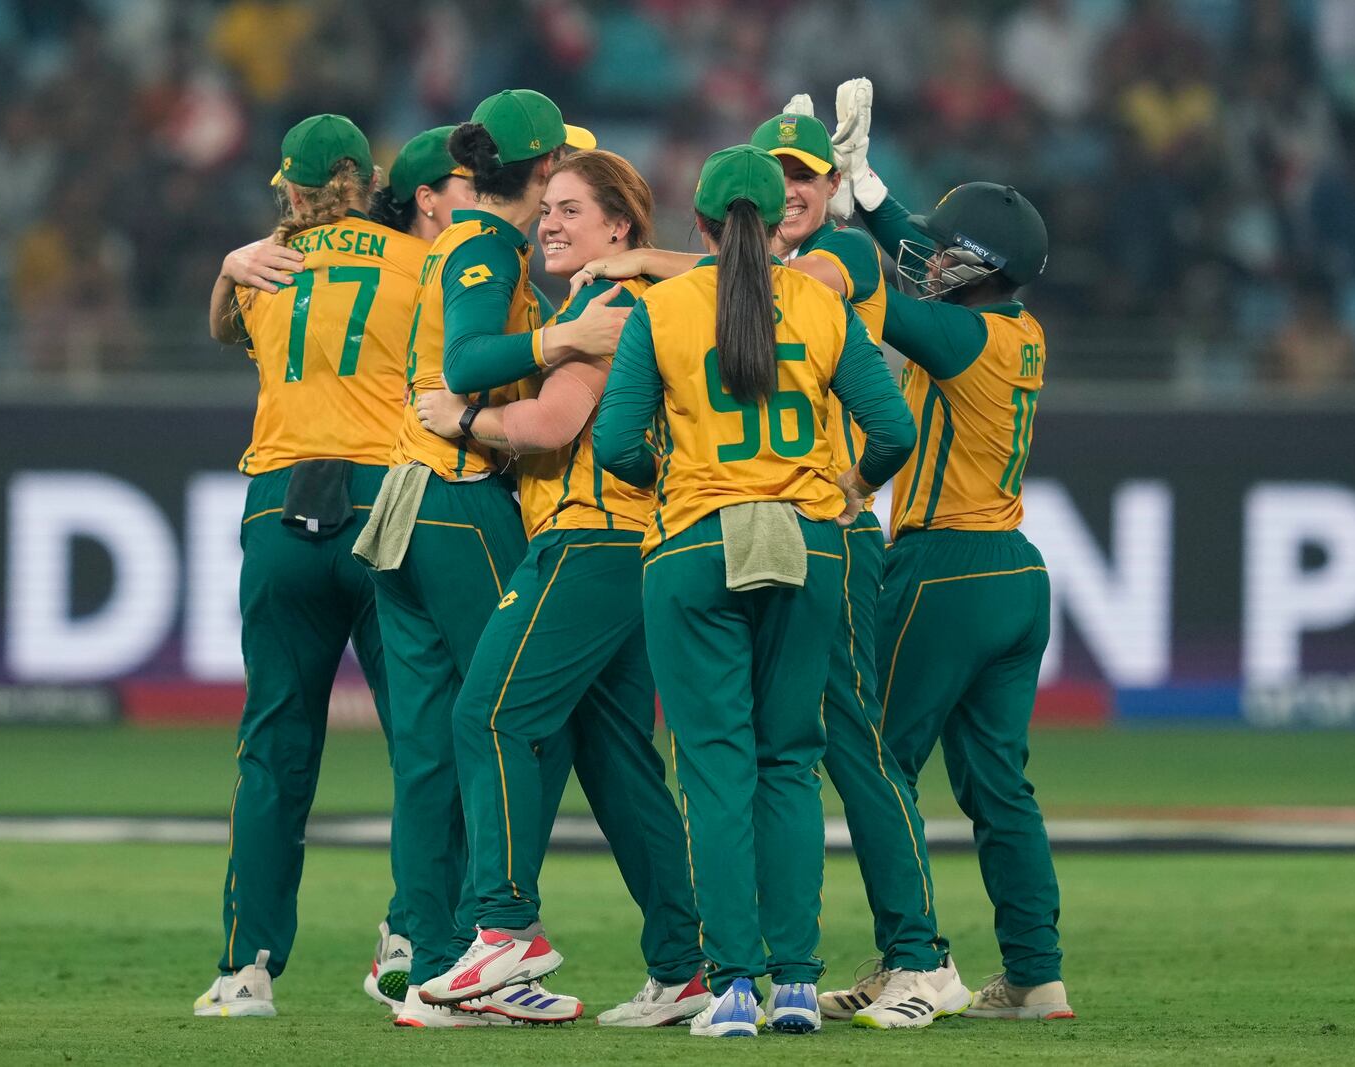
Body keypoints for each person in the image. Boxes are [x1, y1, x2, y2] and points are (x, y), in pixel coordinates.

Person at [575, 88, 969, 1028]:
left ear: (702, 219)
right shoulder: (822, 302)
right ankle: (798, 978)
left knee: (716, 765)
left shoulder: (664, 307)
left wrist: (675, 469)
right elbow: (893, 428)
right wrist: (845, 486)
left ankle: (735, 985)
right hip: (805, 539)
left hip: (696, 541)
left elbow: (618, 445)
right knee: (794, 762)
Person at [412, 149, 709, 1026]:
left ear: (621, 227)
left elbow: (555, 420)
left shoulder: (604, 303)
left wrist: (462, 418)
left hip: (586, 541)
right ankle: (684, 965)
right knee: (621, 765)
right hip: (635, 550)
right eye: (550, 207)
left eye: (573, 211)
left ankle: (505, 929)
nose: (550, 222)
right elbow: (751, 276)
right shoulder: (653, 293)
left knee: (490, 714)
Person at [352, 88, 625, 1028]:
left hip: (408, 499)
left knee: (432, 739)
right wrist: (566, 336)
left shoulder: (466, 240)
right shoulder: (484, 244)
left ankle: (429, 963)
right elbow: (468, 363)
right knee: (521, 719)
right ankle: (492, 945)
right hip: (459, 497)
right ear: (544, 169)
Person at [212, 124, 478, 1014]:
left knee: (274, 746)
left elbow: (226, 330)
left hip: (278, 506)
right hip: (388, 505)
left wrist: (227, 267)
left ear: (291, 188)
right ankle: (414, 934)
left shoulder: (263, 269)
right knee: (422, 740)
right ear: (368, 181)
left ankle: (245, 968)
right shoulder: (422, 263)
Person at [835, 84, 1076, 1023]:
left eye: (945, 247)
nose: (928, 256)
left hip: (944, 566)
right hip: (1015, 572)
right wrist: (874, 190)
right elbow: (923, 265)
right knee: (997, 786)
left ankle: (915, 960)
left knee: (879, 759)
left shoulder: (955, 336)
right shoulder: (1017, 329)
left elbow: (874, 288)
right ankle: (1034, 974)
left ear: (973, 264)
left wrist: (837, 212)